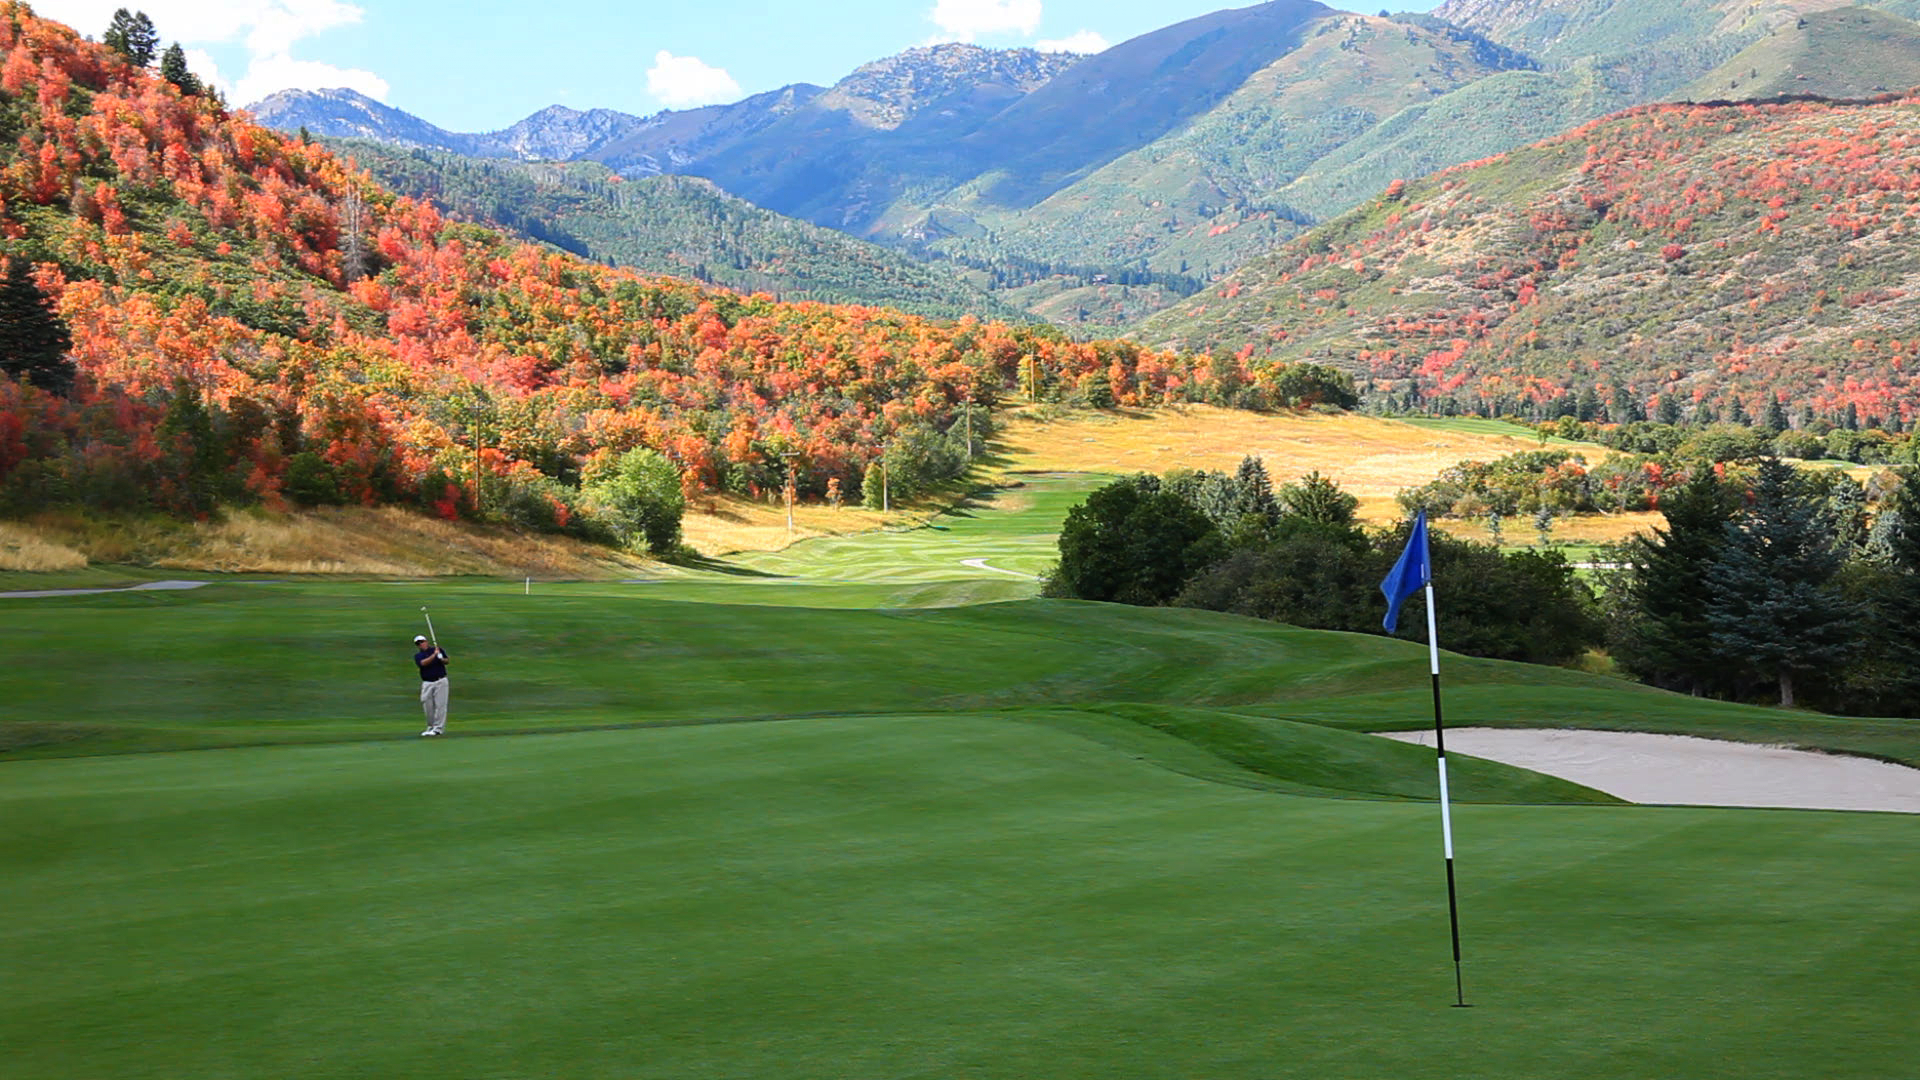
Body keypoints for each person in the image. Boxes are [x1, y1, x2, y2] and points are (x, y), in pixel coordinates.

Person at [413, 634, 449, 736]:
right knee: (427, 704)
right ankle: (430, 727)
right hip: (427, 683)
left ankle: (438, 728)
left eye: (422, 641)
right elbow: (423, 663)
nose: (421, 644)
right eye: (419, 643)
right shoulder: (418, 656)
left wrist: (441, 658)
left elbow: (447, 661)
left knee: (440, 705)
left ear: (426, 641)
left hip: (440, 681)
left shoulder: (438, 649)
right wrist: (434, 655)